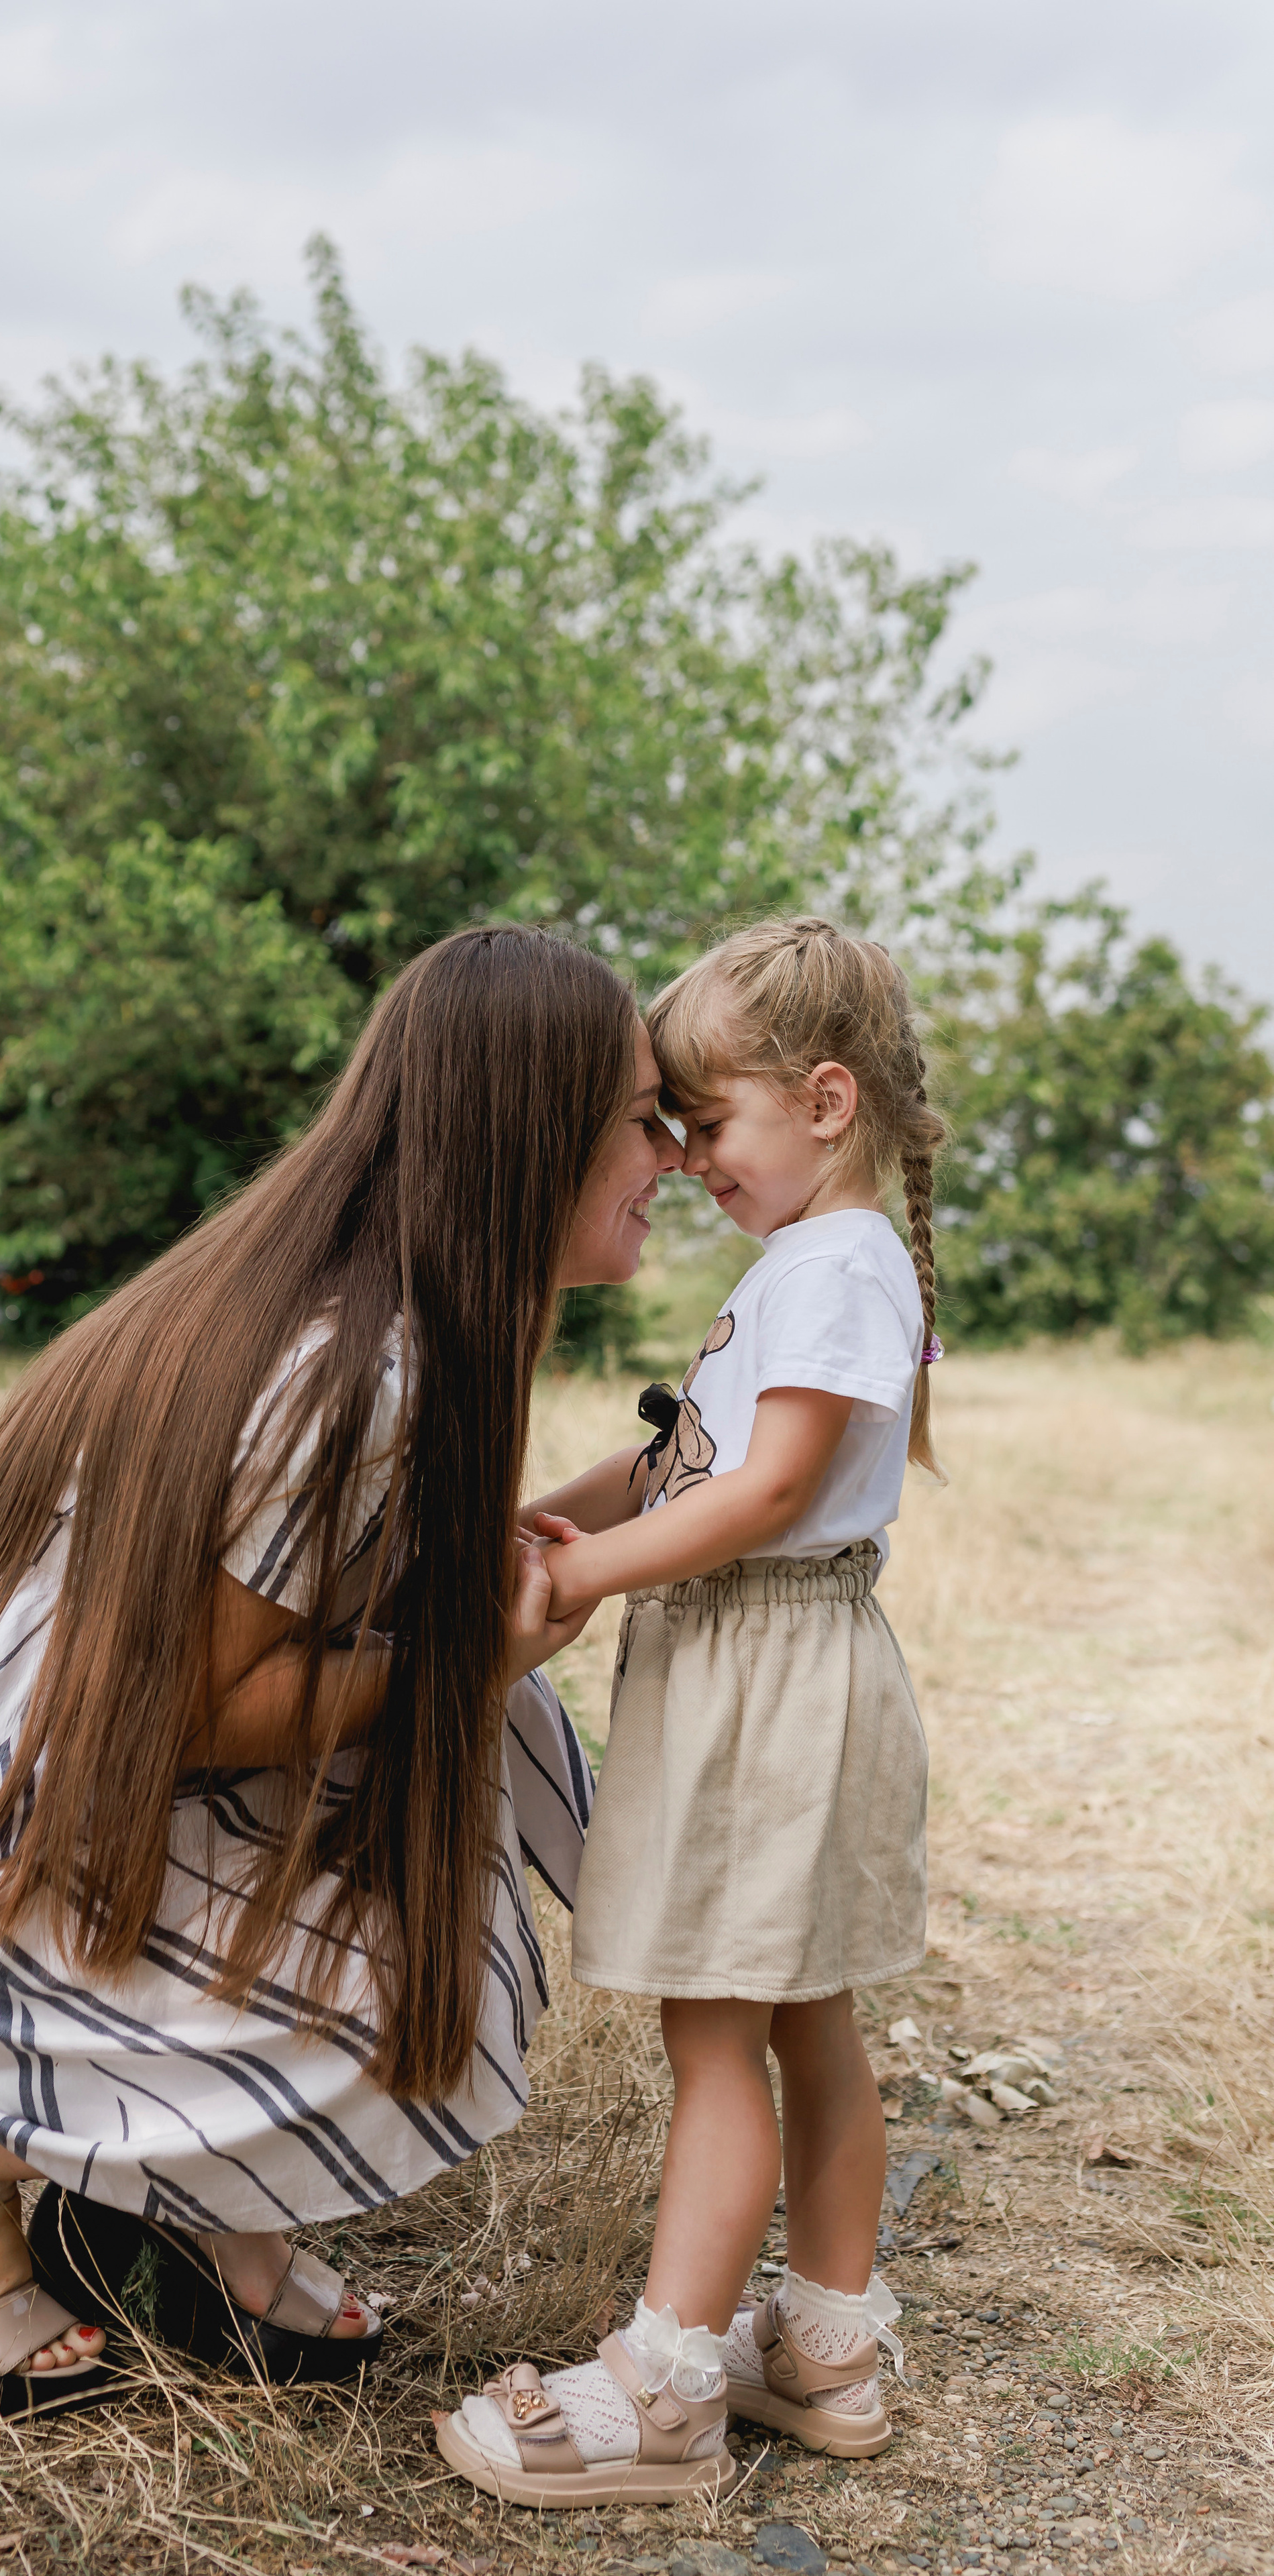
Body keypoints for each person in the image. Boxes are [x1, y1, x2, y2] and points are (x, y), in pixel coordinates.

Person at [0, 924, 684, 2416]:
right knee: (435, 1954)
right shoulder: (360, 1368)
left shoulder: (365, 1308)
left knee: (448, 1771)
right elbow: (183, 1710)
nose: (676, 1153)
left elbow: (387, 1579)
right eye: (644, 1115)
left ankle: (169, 2198)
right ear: (534, 1126)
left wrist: (664, 1477)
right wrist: (465, 1662)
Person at [437, 918, 944, 2506]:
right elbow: (681, 1469)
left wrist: (586, 1575)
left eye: (703, 1119)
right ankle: (824, 2348)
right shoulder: (804, 1263)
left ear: (825, 1100)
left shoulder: (838, 1266)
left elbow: (766, 1490)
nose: (679, 1154)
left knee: (720, 2030)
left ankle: (663, 2386)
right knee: (802, 2019)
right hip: (769, 1663)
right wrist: (546, 1515)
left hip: (768, 1672)